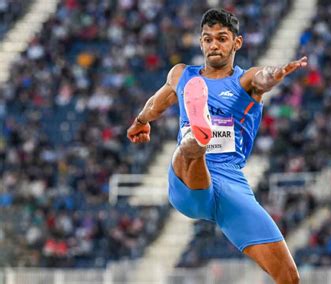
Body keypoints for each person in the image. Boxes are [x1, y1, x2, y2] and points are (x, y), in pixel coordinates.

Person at [127, 8, 307, 284]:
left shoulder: (246, 80)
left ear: (237, 43)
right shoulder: (182, 75)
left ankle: (200, 134)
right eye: (208, 39)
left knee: (289, 277)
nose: (214, 44)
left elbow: (264, 77)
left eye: (222, 38)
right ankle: (199, 135)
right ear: (200, 42)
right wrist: (141, 120)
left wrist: (278, 73)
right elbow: (157, 102)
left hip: (231, 186)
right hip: (189, 186)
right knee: (188, 150)